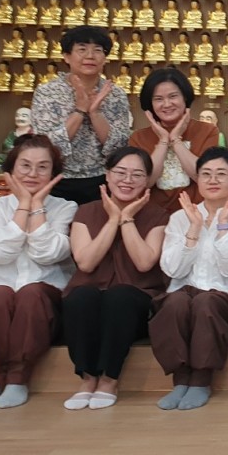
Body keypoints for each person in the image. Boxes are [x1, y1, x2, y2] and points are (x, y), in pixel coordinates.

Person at [151, 147, 228, 411]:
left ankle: (201, 380)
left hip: (227, 302)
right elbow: (172, 270)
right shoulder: (180, 217)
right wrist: (193, 229)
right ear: (198, 179)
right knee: (174, 302)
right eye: (206, 174)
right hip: (184, 298)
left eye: (221, 174)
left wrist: (223, 227)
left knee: (206, 302)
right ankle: (180, 381)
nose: (213, 180)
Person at [0, 135, 74, 410]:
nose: (33, 174)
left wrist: (36, 207)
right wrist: (23, 205)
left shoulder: (66, 208)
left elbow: (47, 253)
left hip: (44, 296)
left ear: (54, 173)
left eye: (42, 167)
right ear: (11, 170)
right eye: (25, 166)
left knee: (31, 293)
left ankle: (17, 378)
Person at [61, 146, 167, 410]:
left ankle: (109, 380)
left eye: (137, 175)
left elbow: (144, 263)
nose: (127, 180)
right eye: (120, 172)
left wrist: (127, 219)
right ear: (107, 176)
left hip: (135, 303)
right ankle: (87, 380)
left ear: (147, 180)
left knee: (120, 295)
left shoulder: (158, 215)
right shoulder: (85, 212)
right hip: (90, 299)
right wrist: (112, 220)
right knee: (81, 296)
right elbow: (86, 262)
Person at [30, 25, 131, 204]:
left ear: (105, 58)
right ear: (66, 56)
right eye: (82, 49)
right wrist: (79, 110)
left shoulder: (116, 94)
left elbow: (119, 147)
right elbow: (45, 146)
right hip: (57, 179)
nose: (90, 56)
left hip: (103, 179)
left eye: (97, 50)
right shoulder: (47, 92)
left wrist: (95, 113)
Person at [129, 68, 220, 214]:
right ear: (150, 104)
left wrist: (176, 140)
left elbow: (205, 177)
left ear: (185, 98)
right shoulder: (138, 137)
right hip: (152, 215)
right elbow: (145, 182)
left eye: (173, 96)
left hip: (197, 213)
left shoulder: (207, 131)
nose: (166, 104)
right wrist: (163, 141)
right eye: (158, 99)